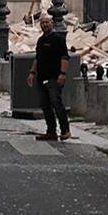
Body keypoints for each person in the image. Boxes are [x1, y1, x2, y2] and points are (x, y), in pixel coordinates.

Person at [27, 13, 71, 141]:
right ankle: (51, 131)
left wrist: (62, 74)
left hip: (54, 77)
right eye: (42, 23)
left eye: (47, 22)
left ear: (51, 23)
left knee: (56, 103)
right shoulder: (41, 40)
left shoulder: (58, 39)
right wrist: (32, 72)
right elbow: (37, 58)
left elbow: (64, 57)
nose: (45, 25)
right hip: (41, 76)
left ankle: (65, 130)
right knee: (45, 105)